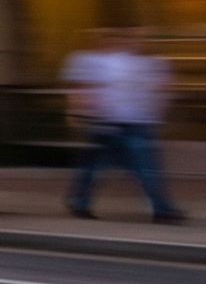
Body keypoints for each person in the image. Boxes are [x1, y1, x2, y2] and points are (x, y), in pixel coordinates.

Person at [64, 28, 182, 223]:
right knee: (143, 168)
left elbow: (157, 89)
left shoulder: (139, 61)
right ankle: (162, 209)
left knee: (97, 167)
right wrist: (78, 113)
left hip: (130, 123)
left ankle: (79, 202)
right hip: (113, 123)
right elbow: (82, 89)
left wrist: (158, 114)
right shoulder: (90, 60)